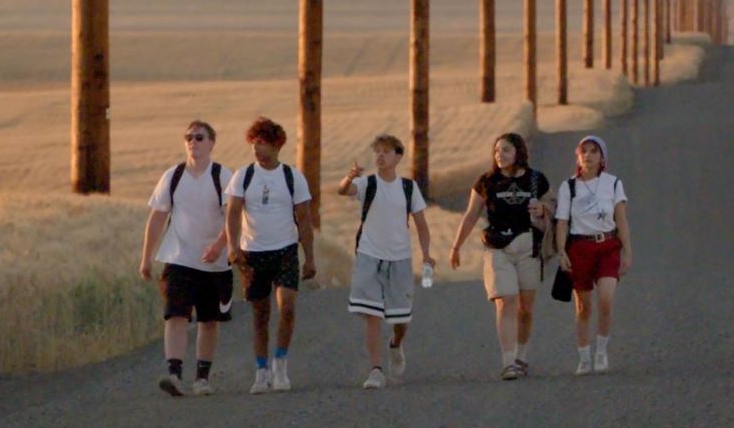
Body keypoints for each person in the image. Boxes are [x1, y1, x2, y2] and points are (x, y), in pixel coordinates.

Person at [138, 120, 232, 397]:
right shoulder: (173, 176)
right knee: (175, 315)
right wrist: (146, 257)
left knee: (209, 320)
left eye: (199, 137)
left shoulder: (222, 176)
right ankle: (174, 374)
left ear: (211, 143)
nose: (193, 142)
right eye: (188, 137)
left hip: (214, 263)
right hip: (179, 258)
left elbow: (233, 218)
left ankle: (202, 378)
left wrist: (219, 247)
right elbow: (157, 217)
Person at [448, 132, 551, 380]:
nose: (499, 155)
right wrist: (456, 246)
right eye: (496, 150)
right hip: (497, 247)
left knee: (525, 308)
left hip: (528, 248)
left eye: (505, 150)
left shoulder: (536, 179)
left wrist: (543, 208)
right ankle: (508, 362)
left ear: (518, 152)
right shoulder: (486, 181)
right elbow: (471, 214)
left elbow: (553, 206)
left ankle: (521, 356)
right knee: (506, 300)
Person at [224, 116, 316, 394]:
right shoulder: (243, 176)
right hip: (252, 253)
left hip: (285, 250)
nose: (256, 148)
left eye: (262, 142)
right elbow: (233, 213)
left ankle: (281, 364)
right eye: (253, 142)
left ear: (276, 145)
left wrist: (309, 257)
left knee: (286, 307)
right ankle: (261, 371)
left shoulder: (292, 177)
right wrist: (232, 246)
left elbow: (304, 218)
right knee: (260, 314)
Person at [336, 133, 433, 389]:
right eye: (377, 151)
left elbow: (421, 224)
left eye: (386, 151)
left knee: (401, 318)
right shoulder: (367, 183)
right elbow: (343, 190)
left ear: (398, 157)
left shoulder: (408, 188)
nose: (380, 156)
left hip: (400, 258)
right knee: (372, 314)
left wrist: (426, 254)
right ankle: (376, 370)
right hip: (369, 255)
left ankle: (396, 343)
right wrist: (349, 177)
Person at [556, 134, 631, 375]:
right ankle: (584, 356)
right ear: (577, 157)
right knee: (583, 306)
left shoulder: (613, 184)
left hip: (608, 246)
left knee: (606, 299)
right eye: (584, 151)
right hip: (580, 248)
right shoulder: (568, 187)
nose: (588, 155)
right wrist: (561, 251)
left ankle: (601, 351)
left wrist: (627, 251)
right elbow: (562, 222)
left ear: (602, 157)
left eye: (593, 151)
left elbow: (621, 219)